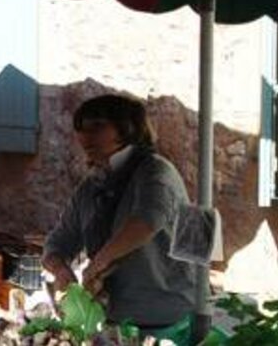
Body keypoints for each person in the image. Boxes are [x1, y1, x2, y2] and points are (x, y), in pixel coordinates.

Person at [42, 94, 196, 341]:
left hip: (162, 320)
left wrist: (97, 264)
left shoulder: (156, 172)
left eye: (98, 126)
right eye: (81, 128)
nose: (86, 135)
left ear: (127, 129)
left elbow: (145, 222)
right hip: (110, 320)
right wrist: (60, 270)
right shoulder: (90, 186)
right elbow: (57, 243)